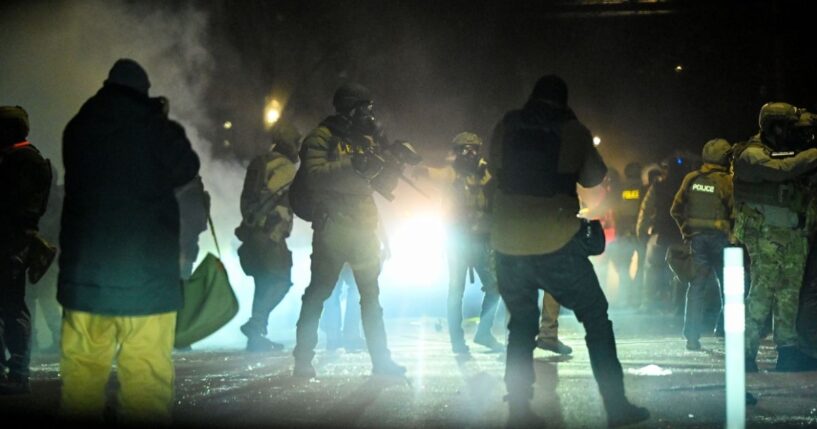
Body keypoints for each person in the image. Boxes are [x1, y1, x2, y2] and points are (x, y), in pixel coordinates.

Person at [488, 75, 648, 427]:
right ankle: (616, 405)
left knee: (521, 325)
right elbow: (594, 176)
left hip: (506, 243)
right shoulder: (571, 130)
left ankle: (518, 410)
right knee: (595, 315)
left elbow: (494, 166)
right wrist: (572, 129)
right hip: (553, 240)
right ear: (563, 101)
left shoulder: (506, 124)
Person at [58, 59, 200, 423]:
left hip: (86, 277)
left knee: (82, 380)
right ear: (145, 91)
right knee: (146, 383)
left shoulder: (78, 128)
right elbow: (187, 168)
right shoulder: (157, 128)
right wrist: (160, 116)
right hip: (148, 280)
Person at [291, 83, 405, 378]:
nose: (370, 114)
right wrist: (352, 163)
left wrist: (394, 164)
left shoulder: (366, 140)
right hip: (334, 227)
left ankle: (382, 361)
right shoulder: (321, 137)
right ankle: (303, 359)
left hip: (364, 228)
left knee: (371, 296)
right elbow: (315, 177)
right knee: (319, 293)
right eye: (364, 108)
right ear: (349, 108)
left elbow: (381, 188)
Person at [732, 102, 817, 372]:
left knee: (788, 293)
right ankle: (743, 353)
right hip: (765, 234)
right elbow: (781, 170)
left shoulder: (793, 153)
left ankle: (788, 350)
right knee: (762, 292)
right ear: (774, 127)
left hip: (792, 233)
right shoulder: (750, 154)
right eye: (787, 128)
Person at [414, 132, 503, 354]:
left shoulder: (487, 175)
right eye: (465, 149)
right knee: (456, 290)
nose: (470, 153)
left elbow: (504, 185)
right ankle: (456, 339)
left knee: (495, 288)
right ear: (457, 152)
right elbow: (431, 174)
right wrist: (419, 168)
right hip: (458, 241)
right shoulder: (450, 175)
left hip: (482, 240)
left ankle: (484, 332)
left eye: (474, 149)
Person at [235, 121, 302, 353]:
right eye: (296, 143)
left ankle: (255, 339)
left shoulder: (259, 162)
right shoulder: (284, 167)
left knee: (263, 283)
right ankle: (255, 325)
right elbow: (282, 199)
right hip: (270, 234)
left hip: (253, 232)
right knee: (281, 281)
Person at [0, 105, 53, 395]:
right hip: (14, 239)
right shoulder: (26, 158)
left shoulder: (21, 160)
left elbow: (16, 205)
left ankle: (17, 372)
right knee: (11, 306)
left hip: (11, 241)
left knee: (11, 307)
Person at [670, 138, 733, 351]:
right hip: (722, 241)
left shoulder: (691, 178)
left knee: (696, 288)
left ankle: (692, 337)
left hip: (696, 240)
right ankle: (725, 330)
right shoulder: (728, 181)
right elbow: (735, 212)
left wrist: (687, 232)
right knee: (730, 288)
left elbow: (675, 210)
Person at [25, 166, 64, 355]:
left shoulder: (47, 199)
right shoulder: (58, 197)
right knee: (43, 299)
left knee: (38, 298)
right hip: (48, 254)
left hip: (44, 254)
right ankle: (55, 339)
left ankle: (37, 341)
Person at [607, 162, 646, 308]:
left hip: (623, 232)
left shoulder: (619, 188)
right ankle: (636, 297)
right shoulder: (644, 188)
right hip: (639, 232)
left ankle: (625, 296)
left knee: (622, 265)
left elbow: (609, 205)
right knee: (641, 267)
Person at [320, 263, 364, 352]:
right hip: (354, 252)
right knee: (356, 286)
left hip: (329, 253)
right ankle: (350, 336)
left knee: (332, 289)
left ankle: (333, 337)